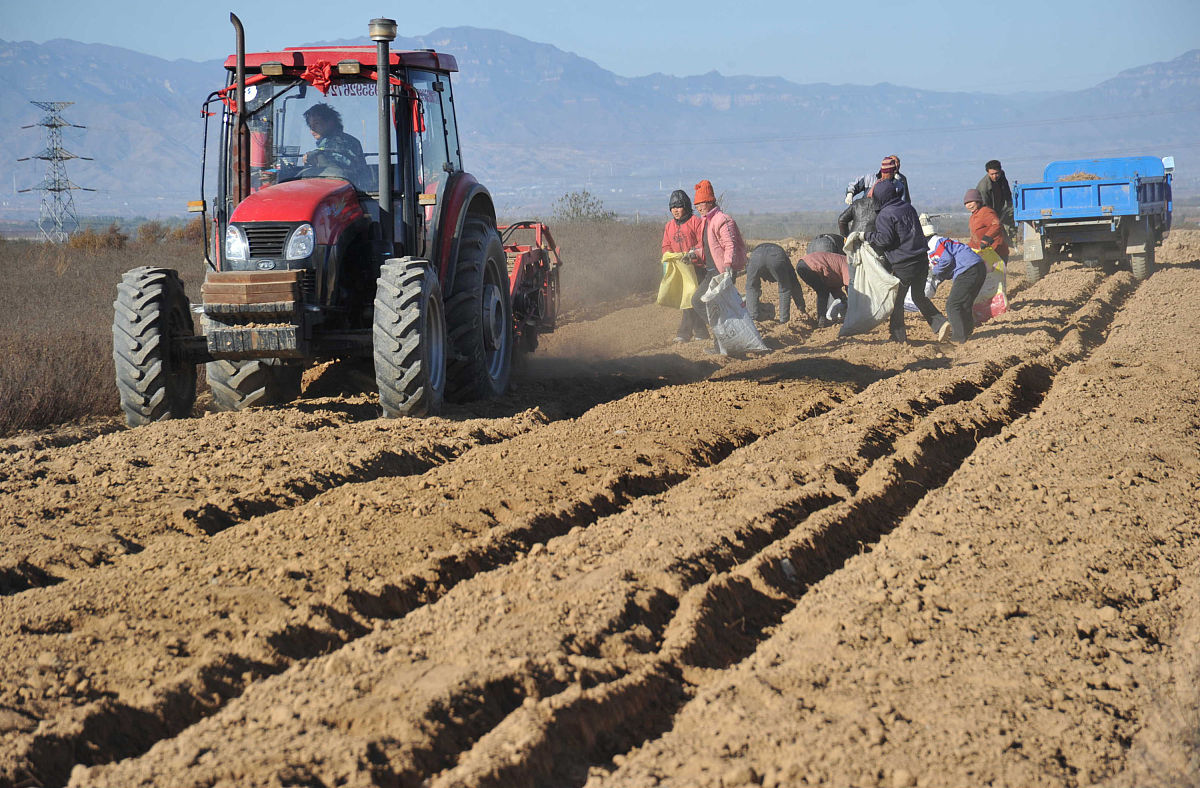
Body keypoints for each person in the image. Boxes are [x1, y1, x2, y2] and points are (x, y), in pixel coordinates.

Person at [853, 178, 949, 343]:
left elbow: (885, 240)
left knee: (896, 302)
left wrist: (866, 236)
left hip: (904, 263)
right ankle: (940, 323)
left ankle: (898, 338)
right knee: (919, 296)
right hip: (921, 259)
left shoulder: (885, 215)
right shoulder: (908, 207)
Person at [690, 179, 748, 355]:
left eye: (701, 203)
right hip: (711, 271)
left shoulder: (722, 220)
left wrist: (729, 265)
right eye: (696, 204)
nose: (698, 207)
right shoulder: (707, 221)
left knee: (707, 304)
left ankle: (727, 343)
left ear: (710, 202)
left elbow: (729, 244)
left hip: (721, 272)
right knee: (709, 306)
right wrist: (694, 254)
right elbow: (709, 248)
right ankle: (725, 342)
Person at [661, 189, 709, 343]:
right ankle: (700, 332)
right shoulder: (669, 226)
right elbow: (666, 245)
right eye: (673, 207)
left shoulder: (695, 222)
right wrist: (669, 257)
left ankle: (685, 333)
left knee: (693, 300)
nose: (675, 210)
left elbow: (703, 243)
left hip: (697, 268)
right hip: (681, 270)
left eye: (679, 206)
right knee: (687, 301)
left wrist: (693, 254)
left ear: (687, 207)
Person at [926, 224, 988, 344]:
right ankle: (967, 333)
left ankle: (958, 338)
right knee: (965, 303)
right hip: (978, 267)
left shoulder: (935, 244)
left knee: (952, 305)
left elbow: (946, 260)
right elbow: (947, 264)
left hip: (967, 269)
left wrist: (934, 273)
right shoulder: (943, 242)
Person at [302, 103, 369, 186]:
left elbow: (338, 160)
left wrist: (315, 156)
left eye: (316, 123)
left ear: (330, 122)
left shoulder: (343, 141)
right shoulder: (326, 142)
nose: (312, 129)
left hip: (348, 188)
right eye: (310, 125)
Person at [745, 243, 807, 325]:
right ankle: (784, 321)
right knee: (785, 288)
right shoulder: (785, 259)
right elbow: (794, 284)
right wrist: (801, 307)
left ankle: (752, 320)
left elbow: (751, 283)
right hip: (775, 257)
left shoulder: (755, 256)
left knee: (751, 287)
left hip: (756, 256)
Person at [795, 250, 849, 328]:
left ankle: (821, 320)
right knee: (823, 292)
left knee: (823, 290)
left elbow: (833, 288)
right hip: (810, 265)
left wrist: (843, 298)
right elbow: (850, 287)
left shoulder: (838, 268)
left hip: (803, 264)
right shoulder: (848, 264)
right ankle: (822, 321)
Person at [964, 188, 1009, 262]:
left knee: (993, 273)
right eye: (966, 203)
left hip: (996, 252)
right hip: (984, 253)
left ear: (978, 201)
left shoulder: (985, 212)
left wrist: (986, 239)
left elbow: (996, 225)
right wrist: (965, 247)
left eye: (971, 202)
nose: (969, 205)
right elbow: (975, 238)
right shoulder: (973, 217)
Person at [977, 159, 1016, 243]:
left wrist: (1010, 203)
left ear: (1000, 171)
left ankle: (1013, 241)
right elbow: (985, 208)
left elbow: (1006, 188)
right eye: (992, 174)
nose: (995, 176)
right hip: (988, 211)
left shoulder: (1002, 175)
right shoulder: (983, 187)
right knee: (995, 231)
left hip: (1000, 208)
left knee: (1014, 216)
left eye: (997, 173)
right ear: (988, 173)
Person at [845, 155, 910, 205]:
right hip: (866, 212)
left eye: (897, 165)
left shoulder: (899, 185)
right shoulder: (870, 179)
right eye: (893, 163)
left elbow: (903, 202)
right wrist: (850, 194)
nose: (896, 165)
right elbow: (854, 185)